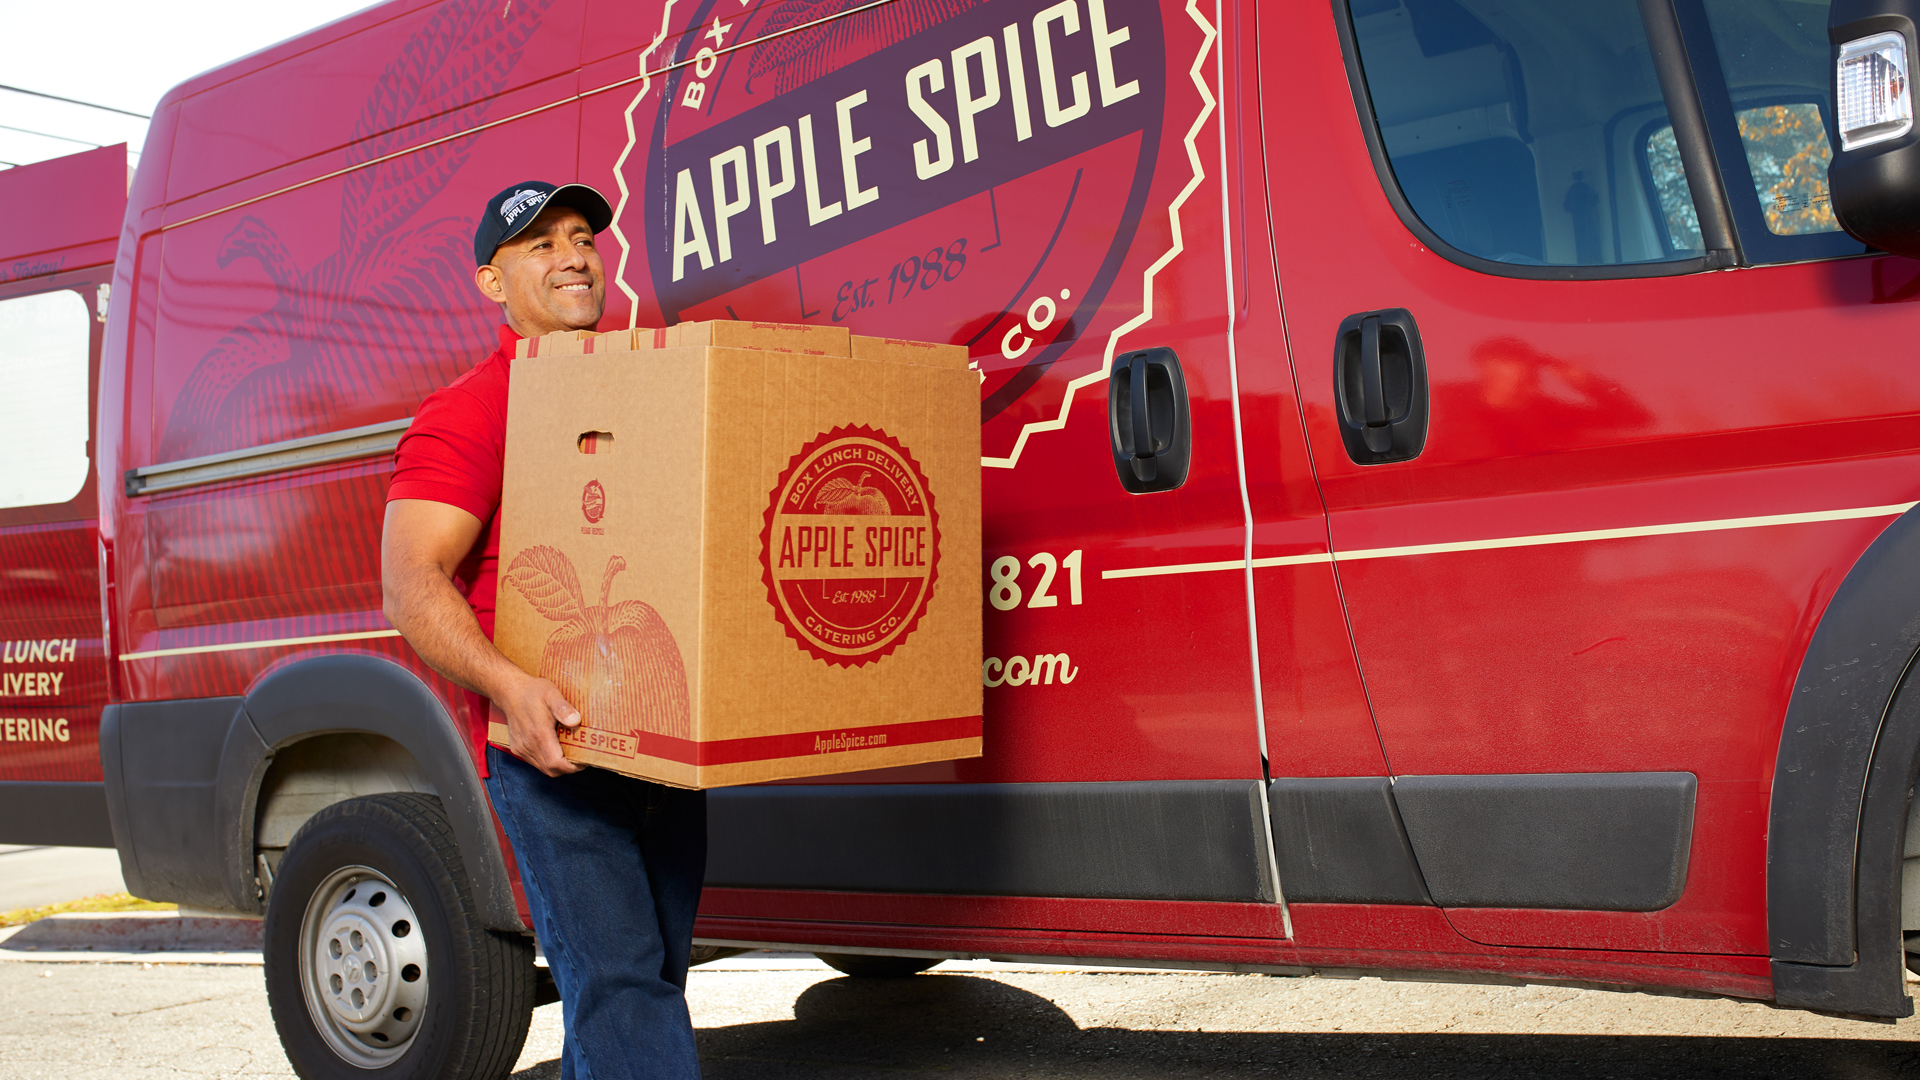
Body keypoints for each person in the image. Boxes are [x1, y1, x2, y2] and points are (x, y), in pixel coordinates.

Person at [381, 180, 706, 1080]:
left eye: (582, 239)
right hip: (550, 747)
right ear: (492, 283)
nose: (572, 256)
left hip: (659, 742)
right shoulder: (473, 410)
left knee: (647, 985)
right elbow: (410, 583)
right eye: (539, 245)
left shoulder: (642, 390)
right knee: (622, 993)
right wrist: (508, 688)